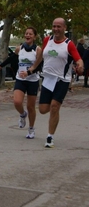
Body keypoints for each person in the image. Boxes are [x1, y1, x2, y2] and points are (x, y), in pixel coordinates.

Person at [29, 18, 83, 148]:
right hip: (48, 79)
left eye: (59, 26)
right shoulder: (47, 40)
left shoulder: (69, 44)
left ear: (64, 28)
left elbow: (79, 60)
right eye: (54, 26)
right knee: (43, 110)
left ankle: (50, 137)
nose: (56, 29)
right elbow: (41, 56)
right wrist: (32, 68)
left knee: (54, 106)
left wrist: (80, 67)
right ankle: (55, 114)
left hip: (61, 80)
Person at [0, 27, 42, 139]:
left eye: (30, 34)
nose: (28, 35)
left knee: (31, 107)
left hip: (32, 80)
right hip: (20, 79)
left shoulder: (38, 50)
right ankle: (22, 114)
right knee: (17, 102)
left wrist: (29, 73)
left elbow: (39, 66)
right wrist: (0, 66)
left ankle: (31, 129)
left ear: (34, 37)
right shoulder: (19, 49)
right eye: (26, 33)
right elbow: (12, 59)